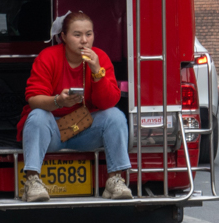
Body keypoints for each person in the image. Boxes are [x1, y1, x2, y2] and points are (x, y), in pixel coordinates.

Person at [16, 11, 133, 202]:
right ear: (63, 37)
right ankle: (32, 181)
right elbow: (33, 98)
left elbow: (109, 102)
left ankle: (115, 180)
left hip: (84, 131)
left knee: (115, 116)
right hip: (52, 130)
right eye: (77, 35)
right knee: (37, 115)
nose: (84, 41)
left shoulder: (100, 57)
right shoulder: (48, 56)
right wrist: (57, 101)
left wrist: (97, 72)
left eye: (89, 34)